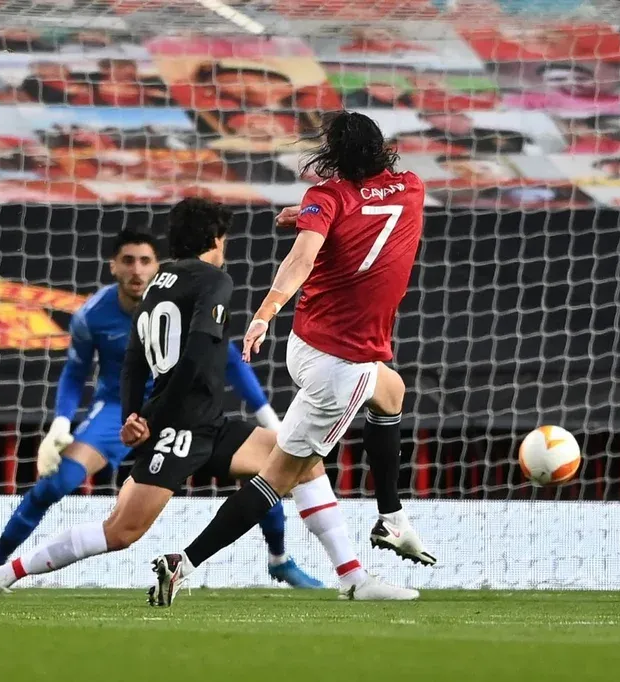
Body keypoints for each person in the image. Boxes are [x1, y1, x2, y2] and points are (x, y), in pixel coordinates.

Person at [0, 199, 413, 602]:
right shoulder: (214, 280)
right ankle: (1, 574)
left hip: (208, 422)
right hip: (178, 428)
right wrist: (151, 417)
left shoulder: (155, 286)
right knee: (120, 531)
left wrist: (134, 414)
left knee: (303, 462)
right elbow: (197, 354)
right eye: (225, 239)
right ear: (215, 240)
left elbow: (133, 361)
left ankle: (352, 576)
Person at [150, 112, 436, 607]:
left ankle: (390, 519)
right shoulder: (412, 187)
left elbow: (304, 256)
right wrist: (305, 218)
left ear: (334, 156)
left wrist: (265, 313)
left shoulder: (326, 197)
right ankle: (184, 563)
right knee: (278, 478)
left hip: (304, 344)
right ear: (382, 148)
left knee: (392, 391)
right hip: (341, 366)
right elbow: (358, 222)